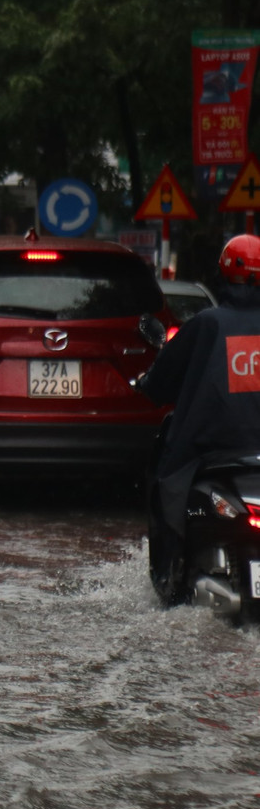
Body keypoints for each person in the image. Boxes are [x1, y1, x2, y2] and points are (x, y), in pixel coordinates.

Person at [137, 234, 260, 587]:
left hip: (211, 453)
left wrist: (147, 383)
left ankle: (169, 581)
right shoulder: (209, 324)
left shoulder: (208, 325)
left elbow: (160, 382)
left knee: (166, 487)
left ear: (222, 274)